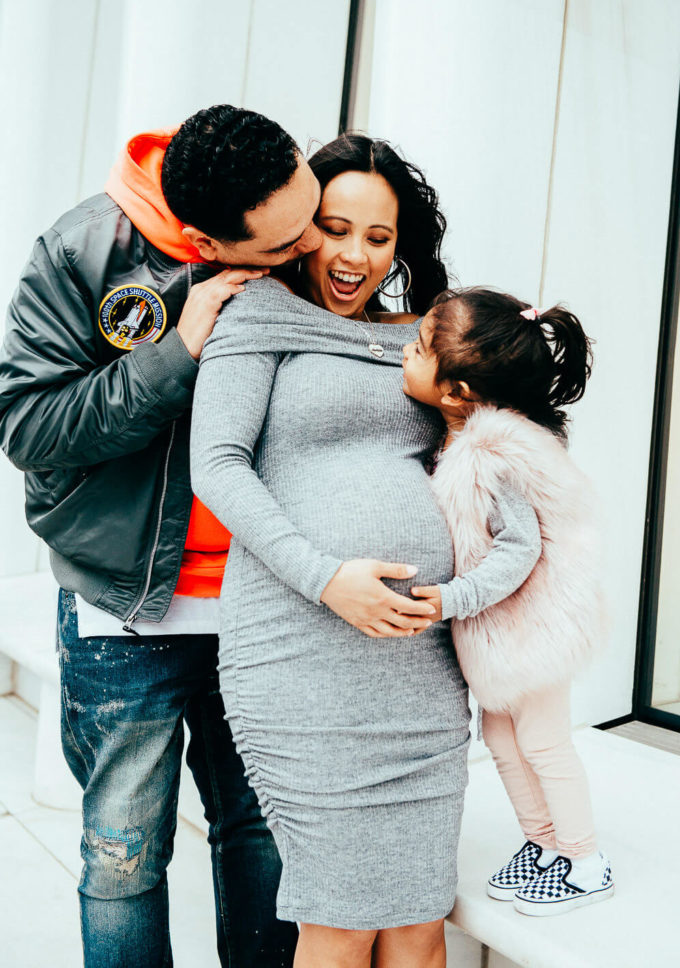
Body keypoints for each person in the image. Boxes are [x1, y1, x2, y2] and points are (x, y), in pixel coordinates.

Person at [0, 103, 324, 967]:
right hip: (126, 612)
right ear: (203, 244)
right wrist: (175, 351)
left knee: (261, 838)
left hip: (264, 605)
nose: (310, 252)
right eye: (282, 248)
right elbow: (30, 430)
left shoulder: (296, 224)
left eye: (310, 215)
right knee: (122, 858)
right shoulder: (80, 253)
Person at [190, 134, 471, 968]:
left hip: (420, 672)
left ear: (400, 246)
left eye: (377, 238)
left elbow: (489, 451)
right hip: (299, 655)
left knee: (420, 922)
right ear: (304, 227)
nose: (352, 255)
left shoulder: (430, 338)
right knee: (338, 923)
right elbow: (218, 465)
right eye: (335, 229)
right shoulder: (258, 314)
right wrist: (325, 580)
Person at [402, 287, 614, 916]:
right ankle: (543, 843)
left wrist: (450, 598)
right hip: (502, 634)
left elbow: (518, 551)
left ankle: (585, 858)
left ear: (457, 392)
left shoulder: (494, 454)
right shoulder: (459, 440)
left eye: (416, 350)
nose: (402, 357)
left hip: (534, 629)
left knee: (544, 742)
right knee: (501, 736)